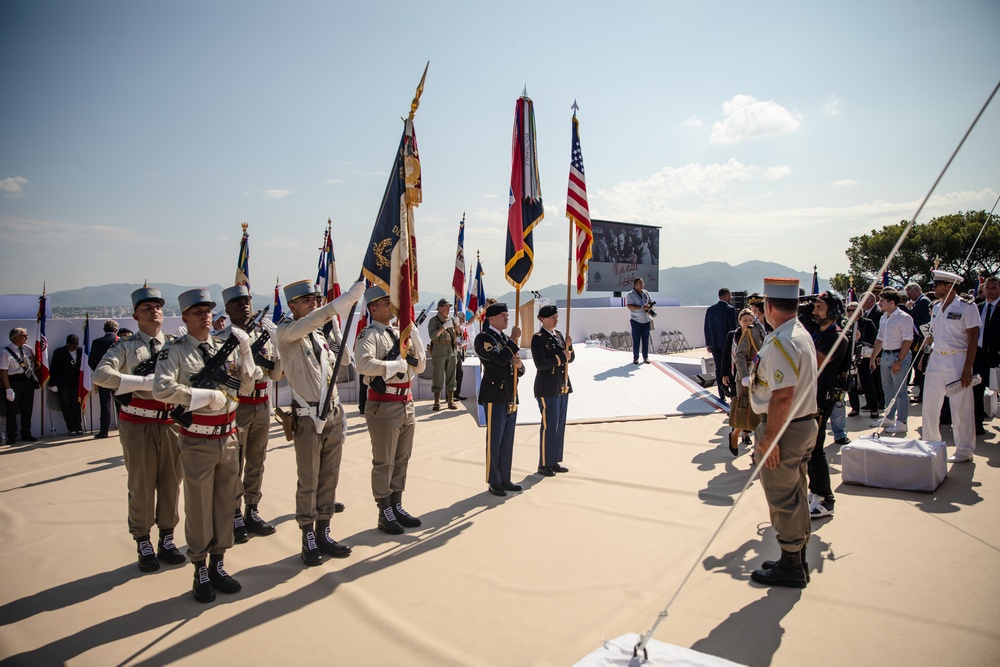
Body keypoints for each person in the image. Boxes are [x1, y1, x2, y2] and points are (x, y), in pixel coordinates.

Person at [154, 288, 258, 602]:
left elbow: (247, 385)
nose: (205, 315)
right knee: (199, 505)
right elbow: (162, 388)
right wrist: (203, 396)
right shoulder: (174, 351)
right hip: (197, 439)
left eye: (208, 310)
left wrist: (246, 353)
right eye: (197, 311)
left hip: (228, 437)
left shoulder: (223, 347)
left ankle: (219, 563)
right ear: (184, 317)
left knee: (225, 503)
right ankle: (199, 566)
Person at [93, 285, 185, 573]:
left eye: (157, 306)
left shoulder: (177, 345)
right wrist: (144, 383)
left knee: (171, 483)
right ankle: (143, 539)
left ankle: (167, 539)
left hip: (170, 424)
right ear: (135, 315)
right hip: (138, 423)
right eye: (147, 308)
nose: (154, 311)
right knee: (142, 484)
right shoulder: (125, 347)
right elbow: (101, 375)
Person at [276, 278, 364, 566]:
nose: (314, 303)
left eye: (315, 298)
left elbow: (346, 362)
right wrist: (337, 306)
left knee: (329, 477)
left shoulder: (320, 337)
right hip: (307, 417)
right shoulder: (287, 332)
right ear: (292, 306)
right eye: (307, 300)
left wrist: (337, 331)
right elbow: (309, 323)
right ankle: (308, 536)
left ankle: (324, 531)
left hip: (333, 414)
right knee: (309, 481)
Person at [748, 278, 818, 588]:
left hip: (785, 427)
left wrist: (769, 438)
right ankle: (797, 557)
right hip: (804, 424)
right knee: (796, 491)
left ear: (769, 306)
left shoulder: (779, 341)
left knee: (782, 496)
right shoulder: (800, 334)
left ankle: (791, 564)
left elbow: (782, 396)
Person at [354, 285, 426, 534]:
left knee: (401, 459)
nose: (391, 307)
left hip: (406, 402)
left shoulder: (399, 333)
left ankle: (397, 505)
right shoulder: (370, 335)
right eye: (386, 303)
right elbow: (363, 364)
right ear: (373, 308)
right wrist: (393, 365)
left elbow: (420, 366)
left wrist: (415, 336)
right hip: (384, 404)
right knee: (384, 461)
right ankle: (384, 510)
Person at [217, 285, 283, 543]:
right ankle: (233, 512)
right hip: (238, 405)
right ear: (228, 309)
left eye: (247, 301)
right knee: (235, 463)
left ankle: (251, 510)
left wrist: (277, 345)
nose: (244, 306)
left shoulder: (263, 335)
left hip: (262, 403)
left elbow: (276, 373)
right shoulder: (223, 338)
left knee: (257, 460)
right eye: (238, 303)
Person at [920, 270, 980, 463]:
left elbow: (973, 339)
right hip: (937, 357)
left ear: (950, 286)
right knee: (930, 401)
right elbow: (933, 335)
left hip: (958, 358)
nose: (934, 288)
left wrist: (967, 367)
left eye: (937, 284)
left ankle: (964, 450)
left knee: (961, 406)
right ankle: (931, 443)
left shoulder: (967, 307)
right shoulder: (936, 307)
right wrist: (923, 357)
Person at [806, 290, 850, 519]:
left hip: (822, 399)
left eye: (819, 307)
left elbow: (814, 362)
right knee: (809, 448)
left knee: (815, 448)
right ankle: (815, 491)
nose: (814, 311)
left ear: (833, 310)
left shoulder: (836, 337)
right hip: (812, 396)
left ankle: (825, 499)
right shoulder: (817, 332)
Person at [475, 302, 525, 496]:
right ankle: (494, 480)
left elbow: (516, 369)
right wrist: (512, 341)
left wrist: (519, 365)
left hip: (510, 395)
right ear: (491, 318)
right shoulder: (484, 338)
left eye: (507, 314)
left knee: (507, 440)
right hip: (495, 394)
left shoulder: (505, 338)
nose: (506, 318)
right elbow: (499, 360)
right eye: (503, 315)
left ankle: (505, 477)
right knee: (494, 440)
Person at [531, 305, 574, 476]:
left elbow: (570, 359)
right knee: (549, 425)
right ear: (542, 319)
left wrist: (569, 347)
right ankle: (544, 463)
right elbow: (541, 364)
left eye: (556, 317)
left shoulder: (559, 335)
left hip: (562, 384)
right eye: (552, 317)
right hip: (547, 386)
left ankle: (554, 460)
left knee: (559, 425)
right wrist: (561, 356)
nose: (555, 320)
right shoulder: (538, 338)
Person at [870, 288, 914, 434]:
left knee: (900, 390)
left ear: (891, 302)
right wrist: (873, 357)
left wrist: (899, 360)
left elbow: (908, 340)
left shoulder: (904, 318)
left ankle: (902, 421)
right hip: (886, 355)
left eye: (882, 300)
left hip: (898, 356)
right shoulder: (884, 317)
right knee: (887, 389)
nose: (879, 303)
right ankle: (889, 417)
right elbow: (880, 338)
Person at [728, 308, 762, 456]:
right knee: (744, 410)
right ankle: (736, 433)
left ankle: (757, 452)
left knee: (761, 414)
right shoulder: (750, 331)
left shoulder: (769, 330)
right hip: (748, 375)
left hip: (763, 376)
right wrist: (744, 377)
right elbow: (739, 356)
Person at [973, 276, 1000, 435]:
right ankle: (977, 425)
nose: (989, 291)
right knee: (976, 392)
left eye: (994, 288)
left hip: (997, 356)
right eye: (987, 288)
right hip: (980, 355)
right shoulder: (978, 307)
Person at [2, 327, 39, 444]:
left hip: (28, 381)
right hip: (15, 382)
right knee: (12, 411)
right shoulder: (6, 352)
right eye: (24, 336)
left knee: (27, 409)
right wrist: (8, 388)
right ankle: (11, 435)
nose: (27, 338)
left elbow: (35, 361)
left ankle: (26, 433)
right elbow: (3, 372)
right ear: (15, 337)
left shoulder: (27, 349)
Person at [704, 288, 738, 401]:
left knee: (718, 367)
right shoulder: (730, 309)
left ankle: (721, 393)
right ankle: (729, 389)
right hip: (726, 343)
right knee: (728, 366)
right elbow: (732, 328)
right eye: (730, 296)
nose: (731, 298)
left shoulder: (710, 309)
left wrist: (708, 343)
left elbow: (706, 327)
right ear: (727, 295)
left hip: (714, 343)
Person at [89, 319, 120, 439]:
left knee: (105, 405)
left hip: (104, 379)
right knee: (120, 405)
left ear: (104, 330)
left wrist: (100, 372)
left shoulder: (97, 342)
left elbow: (91, 361)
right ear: (116, 330)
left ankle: (104, 431)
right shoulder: (121, 341)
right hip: (119, 378)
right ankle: (123, 429)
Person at [427, 298, 459, 410]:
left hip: (451, 351)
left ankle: (451, 401)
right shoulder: (434, 321)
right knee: (438, 377)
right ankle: (436, 402)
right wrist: (444, 327)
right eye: (446, 306)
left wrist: (457, 325)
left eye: (449, 307)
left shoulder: (451, 319)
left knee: (451, 376)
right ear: (440, 308)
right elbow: (432, 336)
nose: (448, 309)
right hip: (439, 351)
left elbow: (458, 335)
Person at [49, 334, 84, 435]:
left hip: (76, 383)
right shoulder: (59, 352)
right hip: (63, 383)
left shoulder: (81, 351)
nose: (72, 348)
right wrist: (53, 384)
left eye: (74, 346)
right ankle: (71, 428)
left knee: (75, 405)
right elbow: (54, 369)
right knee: (66, 405)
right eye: (70, 346)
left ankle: (78, 426)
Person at [904, 282, 932, 403]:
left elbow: (926, 322)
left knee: (920, 367)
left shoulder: (923, 301)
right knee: (917, 367)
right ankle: (921, 393)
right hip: (917, 339)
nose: (908, 295)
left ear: (917, 290)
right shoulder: (917, 302)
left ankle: (923, 394)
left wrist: (925, 340)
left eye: (909, 292)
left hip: (922, 339)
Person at [626, 278, 655, 365]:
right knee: (636, 340)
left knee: (646, 340)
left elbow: (649, 302)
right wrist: (642, 308)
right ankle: (635, 358)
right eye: (640, 283)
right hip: (636, 320)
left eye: (643, 283)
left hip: (646, 320)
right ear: (635, 285)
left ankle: (645, 357)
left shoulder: (645, 292)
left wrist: (650, 306)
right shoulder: (630, 295)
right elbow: (630, 306)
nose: (642, 285)